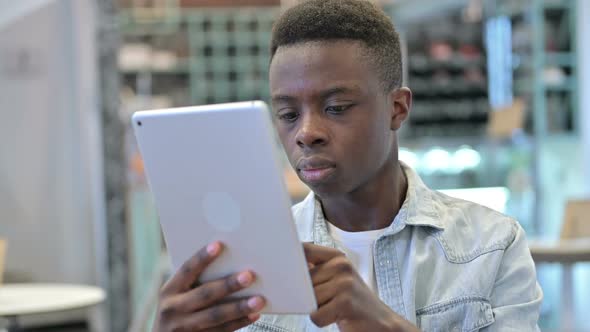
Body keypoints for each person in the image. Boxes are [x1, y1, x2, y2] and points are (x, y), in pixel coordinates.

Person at [153, 0, 543, 331]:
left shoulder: (490, 246)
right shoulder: (247, 265)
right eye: (288, 115)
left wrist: (381, 323)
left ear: (397, 108)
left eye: (336, 108)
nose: (306, 133)